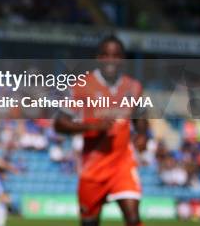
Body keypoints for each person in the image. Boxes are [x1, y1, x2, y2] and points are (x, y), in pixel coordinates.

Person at [54, 35, 149, 226]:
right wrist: (91, 126)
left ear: (123, 59)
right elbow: (59, 124)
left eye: (116, 55)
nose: (110, 59)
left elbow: (141, 116)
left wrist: (142, 134)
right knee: (90, 222)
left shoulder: (134, 87)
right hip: (93, 168)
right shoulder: (81, 86)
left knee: (133, 217)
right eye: (106, 54)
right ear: (98, 57)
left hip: (123, 163)